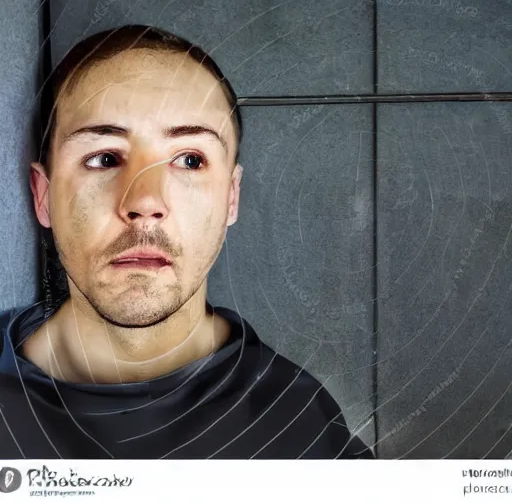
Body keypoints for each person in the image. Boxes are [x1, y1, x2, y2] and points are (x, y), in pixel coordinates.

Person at [0, 25, 373, 459]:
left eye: (190, 160)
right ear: (44, 197)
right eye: (103, 158)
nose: (144, 201)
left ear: (231, 198)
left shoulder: (297, 428)